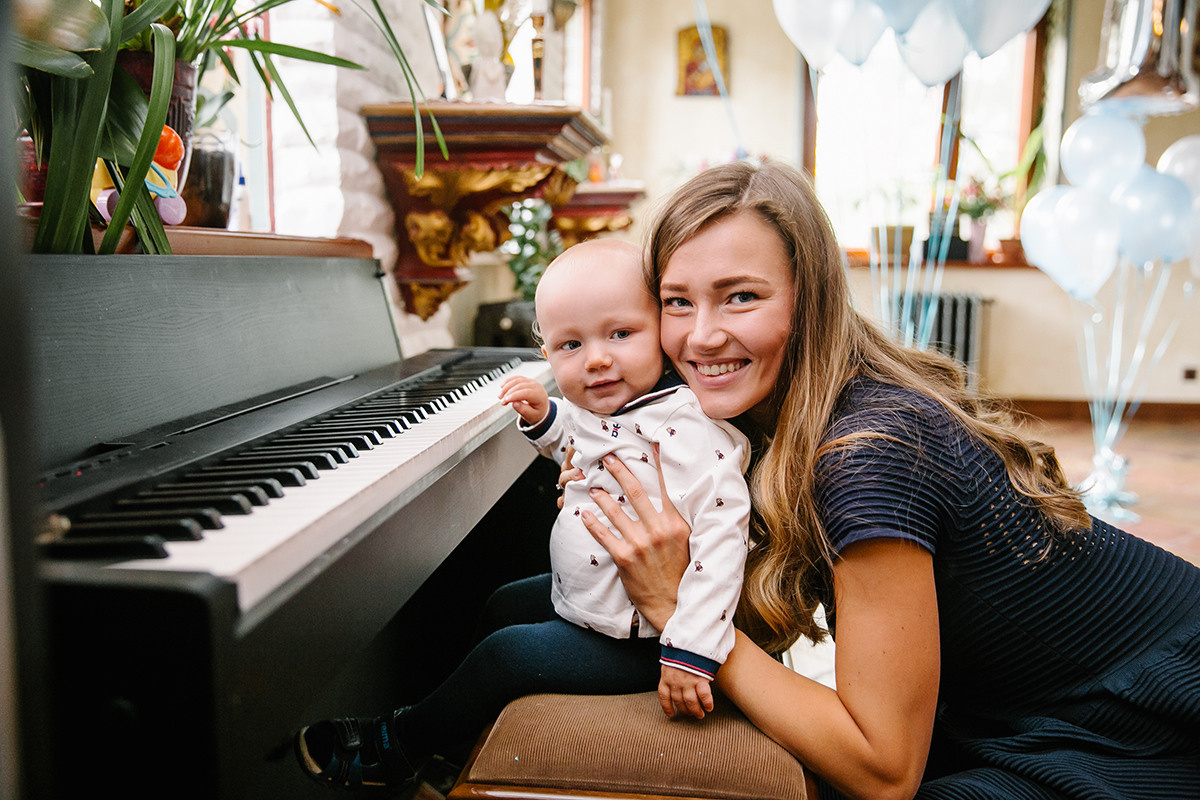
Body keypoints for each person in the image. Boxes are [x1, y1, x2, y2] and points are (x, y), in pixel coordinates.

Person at [571, 159, 1200, 800]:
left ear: (809, 299)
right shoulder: (757, 418)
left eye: (741, 296)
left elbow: (885, 771)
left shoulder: (866, 455)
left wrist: (684, 615)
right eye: (678, 302)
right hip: (1019, 712)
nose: (701, 336)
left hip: (1151, 719)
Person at [294, 238, 751, 791]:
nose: (597, 358)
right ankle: (461, 737)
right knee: (503, 601)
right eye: (569, 345)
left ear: (660, 326)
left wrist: (690, 653)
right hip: (597, 603)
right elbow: (581, 445)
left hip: (648, 640)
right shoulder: (623, 407)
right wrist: (546, 420)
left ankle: (397, 745)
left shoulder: (691, 435)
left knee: (505, 655)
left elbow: (723, 543)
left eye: (621, 334)